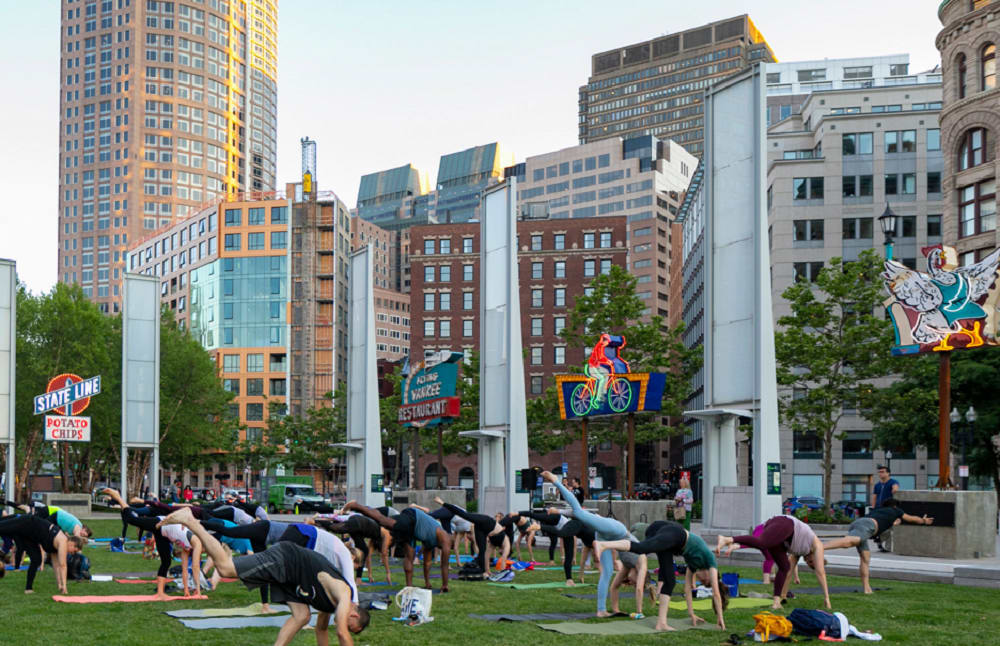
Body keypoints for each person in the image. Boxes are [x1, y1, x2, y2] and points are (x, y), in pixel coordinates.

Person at [157, 508, 369, 646]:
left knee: (302, 615)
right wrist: (345, 633)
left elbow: (322, 631)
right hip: (287, 558)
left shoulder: (332, 605)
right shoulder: (345, 595)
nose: (344, 625)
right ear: (354, 615)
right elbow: (341, 633)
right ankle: (191, 521)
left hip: (293, 576)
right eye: (353, 627)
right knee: (225, 569)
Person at [593, 520, 728, 631]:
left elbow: (687, 590)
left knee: (669, 580)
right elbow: (715, 593)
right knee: (641, 548)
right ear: (711, 576)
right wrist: (720, 618)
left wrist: (692, 614)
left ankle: (661, 623)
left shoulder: (693, 565)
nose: (700, 581)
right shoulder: (710, 560)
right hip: (673, 533)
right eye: (704, 582)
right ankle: (604, 544)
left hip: (669, 539)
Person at [542, 470, 637, 617]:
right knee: (579, 513)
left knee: (606, 574)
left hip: (605, 538)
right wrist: (640, 611)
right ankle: (556, 481)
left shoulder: (627, 569)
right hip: (617, 530)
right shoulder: (640, 559)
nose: (631, 583)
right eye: (634, 582)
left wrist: (559, 512)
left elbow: (615, 587)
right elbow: (640, 587)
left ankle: (601, 610)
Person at [715, 515, 830, 610]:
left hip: (782, 540)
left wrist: (784, 594)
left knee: (784, 567)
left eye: (808, 564)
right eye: (810, 561)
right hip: (786, 524)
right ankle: (728, 539)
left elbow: (789, 572)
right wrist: (826, 597)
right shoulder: (817, 545)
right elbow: (820, 572)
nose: (807, 561)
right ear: (817, 557)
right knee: (762, 543)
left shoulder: (801, 551)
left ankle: (776, 602)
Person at [104, 488, 202, 599]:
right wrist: (198, 592)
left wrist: (186, 591)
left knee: (166, 561)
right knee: (132, 520)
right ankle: (118, 497)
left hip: (164, 534)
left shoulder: (187, 548)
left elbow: (185, 570)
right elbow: (195, 567)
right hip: (160, 523)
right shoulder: (197, 543)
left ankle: (160, 593)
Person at [823, 499, 932, 594]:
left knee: (865, 558)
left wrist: (894, 524)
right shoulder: (895, 510)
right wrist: (923, 521)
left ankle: (866, 588)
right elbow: (911, 518)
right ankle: (820, 547)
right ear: (894, 506)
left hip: (860, 523)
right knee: (849, 542)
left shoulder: (879, 511)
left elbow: (883, 523)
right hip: (867, 526)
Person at [343, 500, 451, 592]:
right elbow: (444, 564)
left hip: (412, 531)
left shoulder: (431, 542)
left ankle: (408, 587)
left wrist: (427, 583)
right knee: (385, 522)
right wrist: (445, 585)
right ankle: (356, 506)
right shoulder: (445, 538)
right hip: (413, 516)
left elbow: (427, 563)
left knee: (410, 554)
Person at [0, 513, 82, 594]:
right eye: (74, 551)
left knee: (36, 559)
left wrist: (60, 585)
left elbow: (56, 566)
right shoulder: (63, 541)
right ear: (72, 543)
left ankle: (28, 589)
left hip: (29, 536)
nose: (72, 553)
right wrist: (65, 586)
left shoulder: (57, 547)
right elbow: (63, 565)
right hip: (27, 522)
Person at [312, 513, 392, 584]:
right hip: (359, 523)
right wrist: (388, 573)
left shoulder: (375, 537)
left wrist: (370, 575)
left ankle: (358, 579)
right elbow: (384, 553)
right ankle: (314, 521)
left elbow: (368, 556)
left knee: (364, 550)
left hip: (359, 529)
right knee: (337, 529)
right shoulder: (387, 534)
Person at [8, 501, 93, 539]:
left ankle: (9, 507)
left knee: (28, 514)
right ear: (85, 529)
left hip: (52, 513)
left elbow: (66, 533)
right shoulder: (79, 526)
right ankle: (12, 518)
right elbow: (76, 536)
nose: (83, 535)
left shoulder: (75, 526)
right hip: (50, 511)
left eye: (84, 536)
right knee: (28, 515)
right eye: (84, 534)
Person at [871, 466, 900, 552]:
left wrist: (894, 490)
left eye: (883, 472)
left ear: (888, 473)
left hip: (889, 509)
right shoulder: (877, 485)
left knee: (890, 527)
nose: (881, 473)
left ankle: (882, 541)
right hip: (878, 509)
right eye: (879, 472)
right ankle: (884, 544)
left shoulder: (893, 482)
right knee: (880, 527)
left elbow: (895, 488)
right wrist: (873, 507)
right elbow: (875, 496)